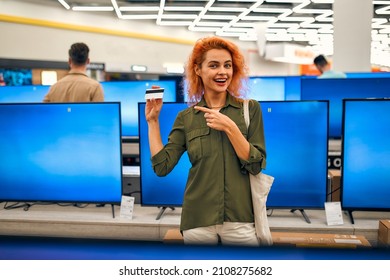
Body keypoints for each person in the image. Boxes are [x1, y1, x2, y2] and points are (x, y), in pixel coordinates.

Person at [145, 36, 266, 246]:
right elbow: (161, 167)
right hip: (197, 219)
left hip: (240, 218)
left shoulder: (250, 109)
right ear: (198, 70)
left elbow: (256, 165)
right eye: (214, 65)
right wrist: (153, 122)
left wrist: (230, 128)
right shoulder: (187, 117)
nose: (223, 72)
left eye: (227, 65)